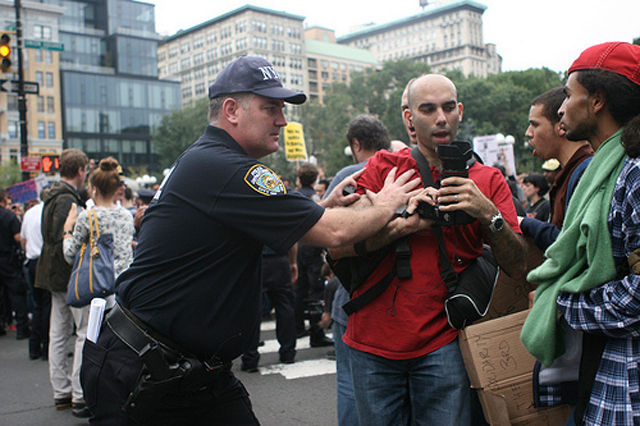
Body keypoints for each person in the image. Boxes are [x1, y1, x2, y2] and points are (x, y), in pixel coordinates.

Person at [82, 55, 421, 425]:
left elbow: (260, 233)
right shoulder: (227, 168)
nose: (282, 120)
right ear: (231, 110)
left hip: (189, 371)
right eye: (270, 107)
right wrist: (388, 203)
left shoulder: (210, 160)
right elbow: (335, 232)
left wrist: (322, 206)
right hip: (149, 373)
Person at [329, 74, 526, 425]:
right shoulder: (384, 169)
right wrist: (398, 220)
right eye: (428, 109)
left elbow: (517, 265)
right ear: (409, 119)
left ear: (460, 111)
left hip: (444, 344)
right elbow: (338, 246)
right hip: (371, 343)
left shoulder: (488, 180)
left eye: (449, 107)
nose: (441, 118)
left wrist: (487, 213)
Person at [521, 41, 640, 426]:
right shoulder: (611, 170)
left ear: (598, 101)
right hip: (605, 369)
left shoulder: (634, 175)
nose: (560, 107)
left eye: (569, 94)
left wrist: (562, 303)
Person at [324, 113, 392, 426]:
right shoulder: (403, 168)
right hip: (399, 299)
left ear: (355, 143)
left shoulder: (348, 175)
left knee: (350, 385)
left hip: (352, 298)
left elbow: (324, 234)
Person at [35, 148, 89, 416]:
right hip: (67, 273)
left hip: (51, 272)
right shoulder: (68, 199)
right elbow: (64, 240)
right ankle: (78, 392)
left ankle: (62, 391)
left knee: (58, 332)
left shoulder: (51, 196)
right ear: (80, 170)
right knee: (81, 331)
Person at [520, 87, 594, 250]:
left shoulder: (586, 172)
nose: (528, 133)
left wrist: (524, 223)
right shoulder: (571, 171)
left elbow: (574, 246)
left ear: (561, 126)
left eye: (534, 124)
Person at [294, 162, 333, 346]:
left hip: (298, 247)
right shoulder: (314, 199)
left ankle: (298, 326)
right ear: (316, 178)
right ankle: (316, 334)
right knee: (315, 291)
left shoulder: (294, 196)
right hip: (312, 248)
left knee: (300, 289)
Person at [21, 198, 50, 360]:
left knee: (37, 305)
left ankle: (34, 347)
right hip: (45, 261)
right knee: (47, 305)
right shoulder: (48, 213)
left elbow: (23, 241)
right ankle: (46, 347)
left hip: (32, 261)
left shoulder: (29, 213)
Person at [0, 188, 30, 340]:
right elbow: (18, 237)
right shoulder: (9, 217)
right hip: (8, 259)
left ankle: (2, 324)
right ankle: (22, 328)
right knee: (17, 293)